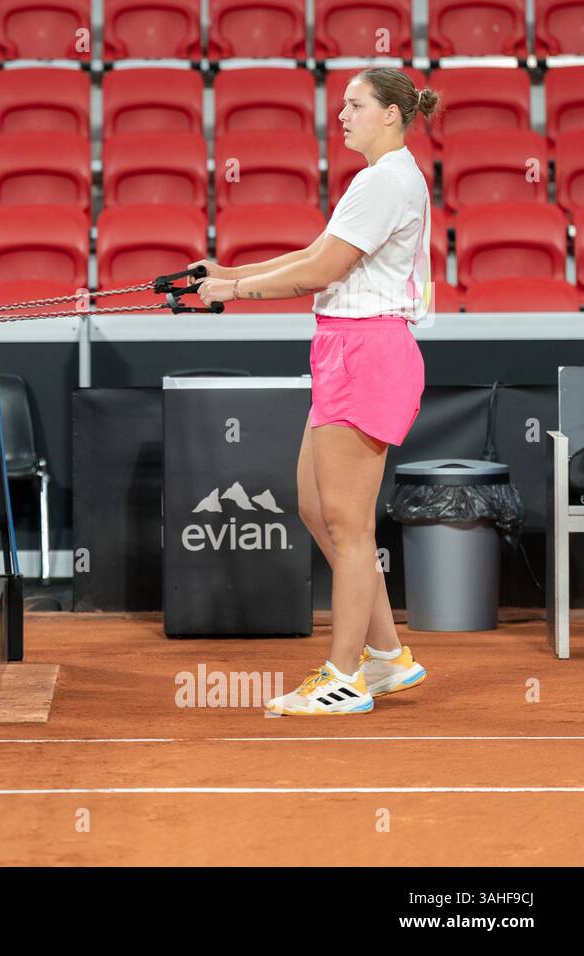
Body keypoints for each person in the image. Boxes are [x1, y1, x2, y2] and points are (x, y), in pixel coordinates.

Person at [196, 69, 437, 716]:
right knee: (312, 505)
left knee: (349, 527)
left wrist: (233, 293)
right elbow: (315, 251)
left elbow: (322, 271)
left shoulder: (386, 180)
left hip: (368, 352)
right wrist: (231, 272)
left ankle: (343, 676)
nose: (344, 116)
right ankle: (388, 658)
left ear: (391, 114)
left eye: (356, 105)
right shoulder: (378, 180)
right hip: (344, 350)